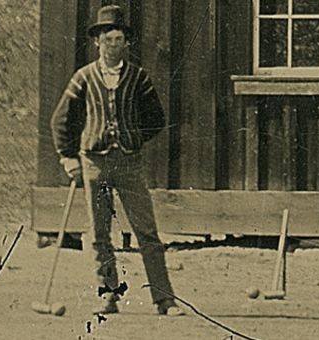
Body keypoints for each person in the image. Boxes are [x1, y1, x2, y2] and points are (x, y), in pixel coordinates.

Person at [50, 5, 184, 316]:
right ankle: (108, 295)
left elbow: (156, 118)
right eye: (107, 39)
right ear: (97, 42)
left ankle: (164, 300)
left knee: (146, 231)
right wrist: (68, 158)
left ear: (126, 43)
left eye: (118, 39)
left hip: (129, 163)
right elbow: (61, 121)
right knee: (99, 233)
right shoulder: (83, 77)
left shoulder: (138, 78)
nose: (113, 45)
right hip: (93, 163)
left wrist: (133, 137)